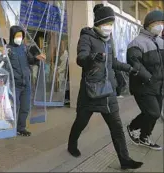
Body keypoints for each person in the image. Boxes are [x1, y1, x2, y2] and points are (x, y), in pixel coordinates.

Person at [67, 4, 143, 170]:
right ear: (98, 23)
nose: (109, 27)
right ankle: (72, 144)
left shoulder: (110, 40)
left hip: (108, 91)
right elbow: (81, 58)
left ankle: (125, 160)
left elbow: (113, 62)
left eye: (111, 23)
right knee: (81, 122)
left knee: (117, 127)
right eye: (106, 23)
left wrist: (129, 68)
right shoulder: (87, 37)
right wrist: (93, 57)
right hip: (90, 91)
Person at [126, 10, 164, 151]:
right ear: (149, 24)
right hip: (143, 85)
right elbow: (135, 63)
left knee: (153, 113)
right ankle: (133, 127)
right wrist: (149, 77)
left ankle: (144, 137)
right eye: (157, 23)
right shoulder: (136, 43)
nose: (161, 26)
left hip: (158, 86)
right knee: (153, 112)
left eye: (162, 23)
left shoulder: (160, 42)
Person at [7, 25, 46, 136]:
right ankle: (11, 128)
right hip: (15, 84)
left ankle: (21, 128)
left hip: (26, 83)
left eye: (21, 36)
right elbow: (2, 65)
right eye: (17, 35)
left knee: (25, 107)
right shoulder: (8, 49)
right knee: (14, 107)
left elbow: (30, 60)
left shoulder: (24, 48)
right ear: (12, 36)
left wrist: (37, 58)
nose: (20, 38)